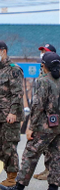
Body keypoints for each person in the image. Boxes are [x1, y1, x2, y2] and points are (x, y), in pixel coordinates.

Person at [0, 52, 60, 190]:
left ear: (43, 66)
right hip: (58, 125)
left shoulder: (43, 80)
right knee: (55, 156)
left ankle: (18, 188)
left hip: (44, 125)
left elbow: (38, 105)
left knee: (30, 154)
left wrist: (30, 127)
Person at [0, 41, 24, 188]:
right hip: (1, 115)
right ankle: (9, 175)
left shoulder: (14, 70)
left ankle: (12, 178)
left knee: (9, 147)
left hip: (10, 116)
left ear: (4, 51)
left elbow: (17, 93)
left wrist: (13, 112)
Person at [33, 43, 56, 181]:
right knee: (47, 145)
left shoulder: (55, 71)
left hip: (52, 113)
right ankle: (48, 169)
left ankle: (51, 171)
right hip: (43, 113)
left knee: (51, 144)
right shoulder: (43, 70)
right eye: (41, 51)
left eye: (44, 51)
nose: (41, 53)